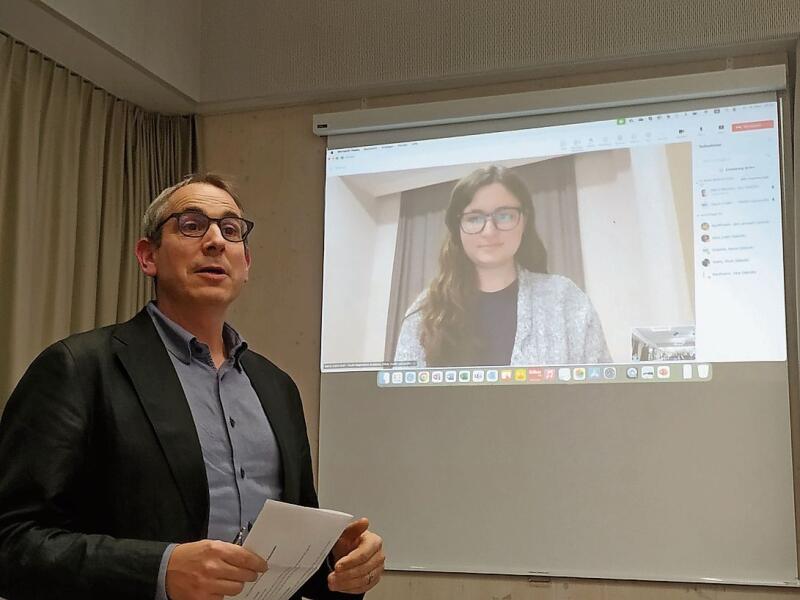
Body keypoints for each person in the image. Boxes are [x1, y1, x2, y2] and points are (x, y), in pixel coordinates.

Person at [0, 174, 384, 600]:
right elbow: (13, 541)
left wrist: (336, 562)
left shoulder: (278, 388)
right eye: (191, 225)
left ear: (246, 264)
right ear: (148, 257)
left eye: (231, 229)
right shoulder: (79, 369)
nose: (216, 241)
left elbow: (290, 556)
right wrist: (159, 570)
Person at [394, 165, 611, 368]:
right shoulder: (424, 312)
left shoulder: (565, 299)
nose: (489, 231)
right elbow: (402, 402)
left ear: (524, 221)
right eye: (474, 218)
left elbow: (603, 394)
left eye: (504, 215)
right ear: (457, 228)